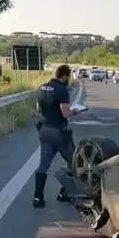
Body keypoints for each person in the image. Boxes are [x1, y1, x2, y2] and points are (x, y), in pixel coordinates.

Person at [32, 64, 84, 208]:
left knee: (43, 165)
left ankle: (38, 197)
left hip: (44, 130)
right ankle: (64, 194)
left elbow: (38, 110)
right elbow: (65, 113)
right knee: (75, 163)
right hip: (60, 132)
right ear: (66, 76)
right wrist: (75, 111)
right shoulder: (62, 90)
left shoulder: (41, 88)